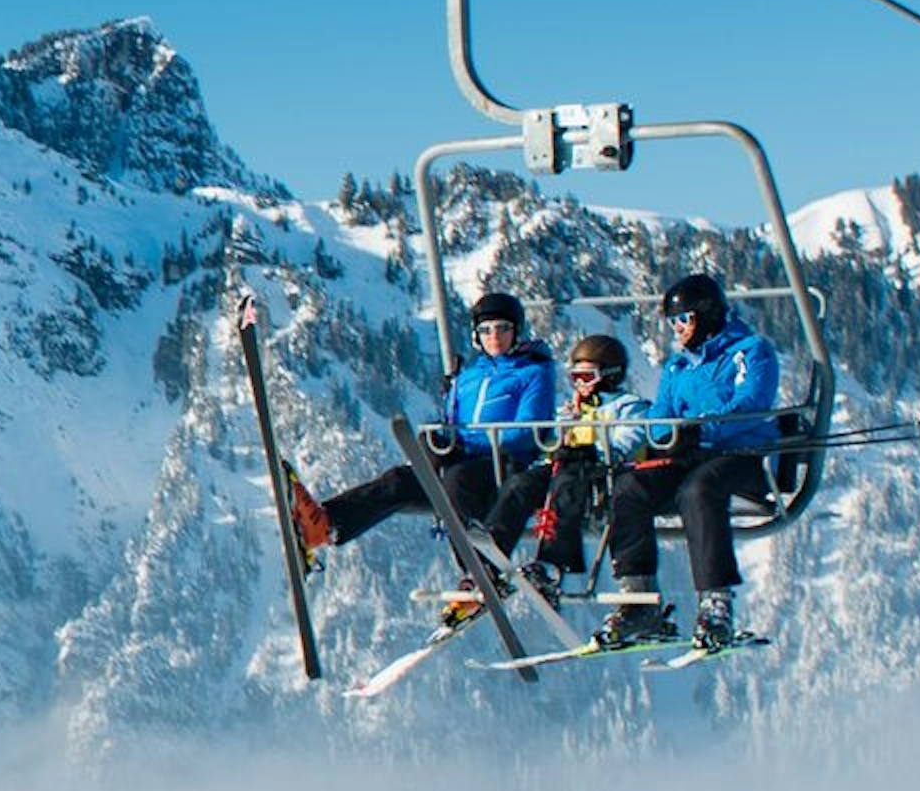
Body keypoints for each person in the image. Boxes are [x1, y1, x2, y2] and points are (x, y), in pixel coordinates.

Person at [284, 291, 558, 578]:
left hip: (505, 464)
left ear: (516, 331)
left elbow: (528, 429)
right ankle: (328, 523)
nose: (495, 337)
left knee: (458, 479)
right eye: (486, 330)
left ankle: (478, 570)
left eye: (503, 328)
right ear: (477, 336)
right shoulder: (467, 378)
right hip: (462, 460)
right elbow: (452, 421)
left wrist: (464, 442)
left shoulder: (533, 372)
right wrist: (442, 441)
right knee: (401, 480)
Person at [597, 272, 784, 651]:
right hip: (691, 455)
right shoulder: (678, 367)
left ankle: (716, 604)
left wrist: (700, 430)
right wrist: (666, 438)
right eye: (672, 323)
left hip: (742, 455)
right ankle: (639, 601)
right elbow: (660, 417)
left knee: (699, 490)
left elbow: (751, 405)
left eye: (683, 321)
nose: (677, 330)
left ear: (706, 315)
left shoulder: (749, 351)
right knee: (630, 487)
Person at [477, 332, 649, 612]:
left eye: (586, 377)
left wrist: (593, 452)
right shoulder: (570, 411)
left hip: (602, 478)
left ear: (609, 376)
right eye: (575, 378)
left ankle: (553, 564)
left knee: (568, 481)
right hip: (565, 469)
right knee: (522, 483)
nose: (580, 385)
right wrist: (558, 440)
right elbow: (549, 444)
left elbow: (627, 442)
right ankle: (490, 554)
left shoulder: (628, 407)